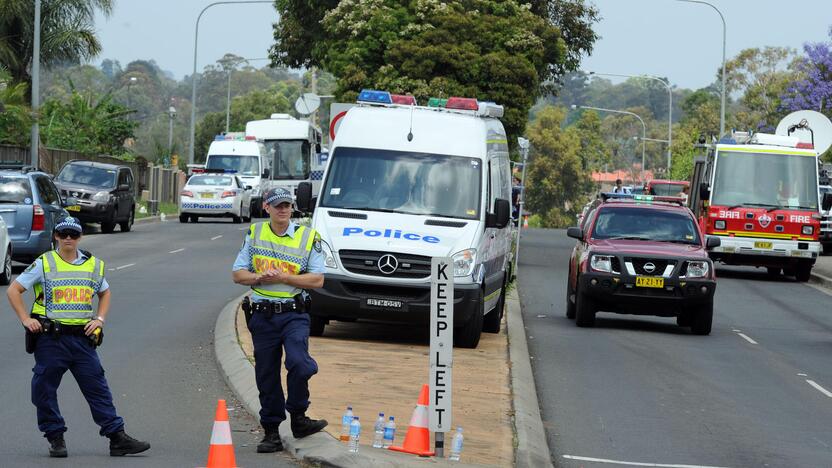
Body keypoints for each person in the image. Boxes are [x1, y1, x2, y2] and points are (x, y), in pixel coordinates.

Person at [5, 216, 150, 458]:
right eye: (63, 234)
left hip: (82, 339)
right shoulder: (45, 262)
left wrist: (100, 320)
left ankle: (117, 437)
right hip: (51, 339)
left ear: (80, 236)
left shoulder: (92, 265)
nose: (68, 238)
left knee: (97, 388)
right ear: (56, 237)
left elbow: (105, 293)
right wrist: (25, 319)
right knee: (43, 388)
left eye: (73, 234)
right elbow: (14, 290)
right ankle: (55, 436)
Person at [232, 188, 328, 453]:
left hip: (294, 314)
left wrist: (284, 278)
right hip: (262, 316)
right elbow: (238, 274)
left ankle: (298, 416)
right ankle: (272, 432)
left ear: (292, 208)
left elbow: (317, 280)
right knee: (266, 375)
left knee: (300, 363)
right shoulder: (255, 233)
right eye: (277, 206)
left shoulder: (308, 237)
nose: (283, 209)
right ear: (266, 208)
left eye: (287, 205)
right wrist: (258, 277)